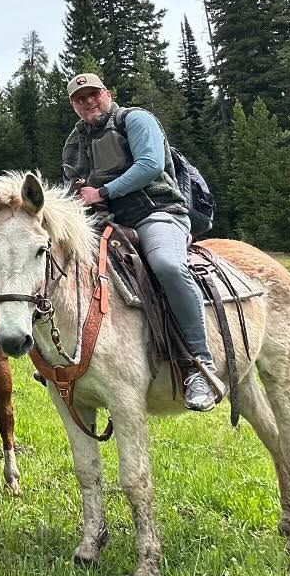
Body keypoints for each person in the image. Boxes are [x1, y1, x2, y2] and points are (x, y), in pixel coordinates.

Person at [62, 71, 224, 410]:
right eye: (80, 98)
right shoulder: (74, 142)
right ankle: (67, 357)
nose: (88, 101)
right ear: (73, 105)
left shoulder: (135, 120)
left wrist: (104, 191)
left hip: (157, 212)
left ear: (106, 93)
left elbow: (150, 165)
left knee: (166, 265)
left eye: (93, 94)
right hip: (106, 222)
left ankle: (199, 363)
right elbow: (75, 187)